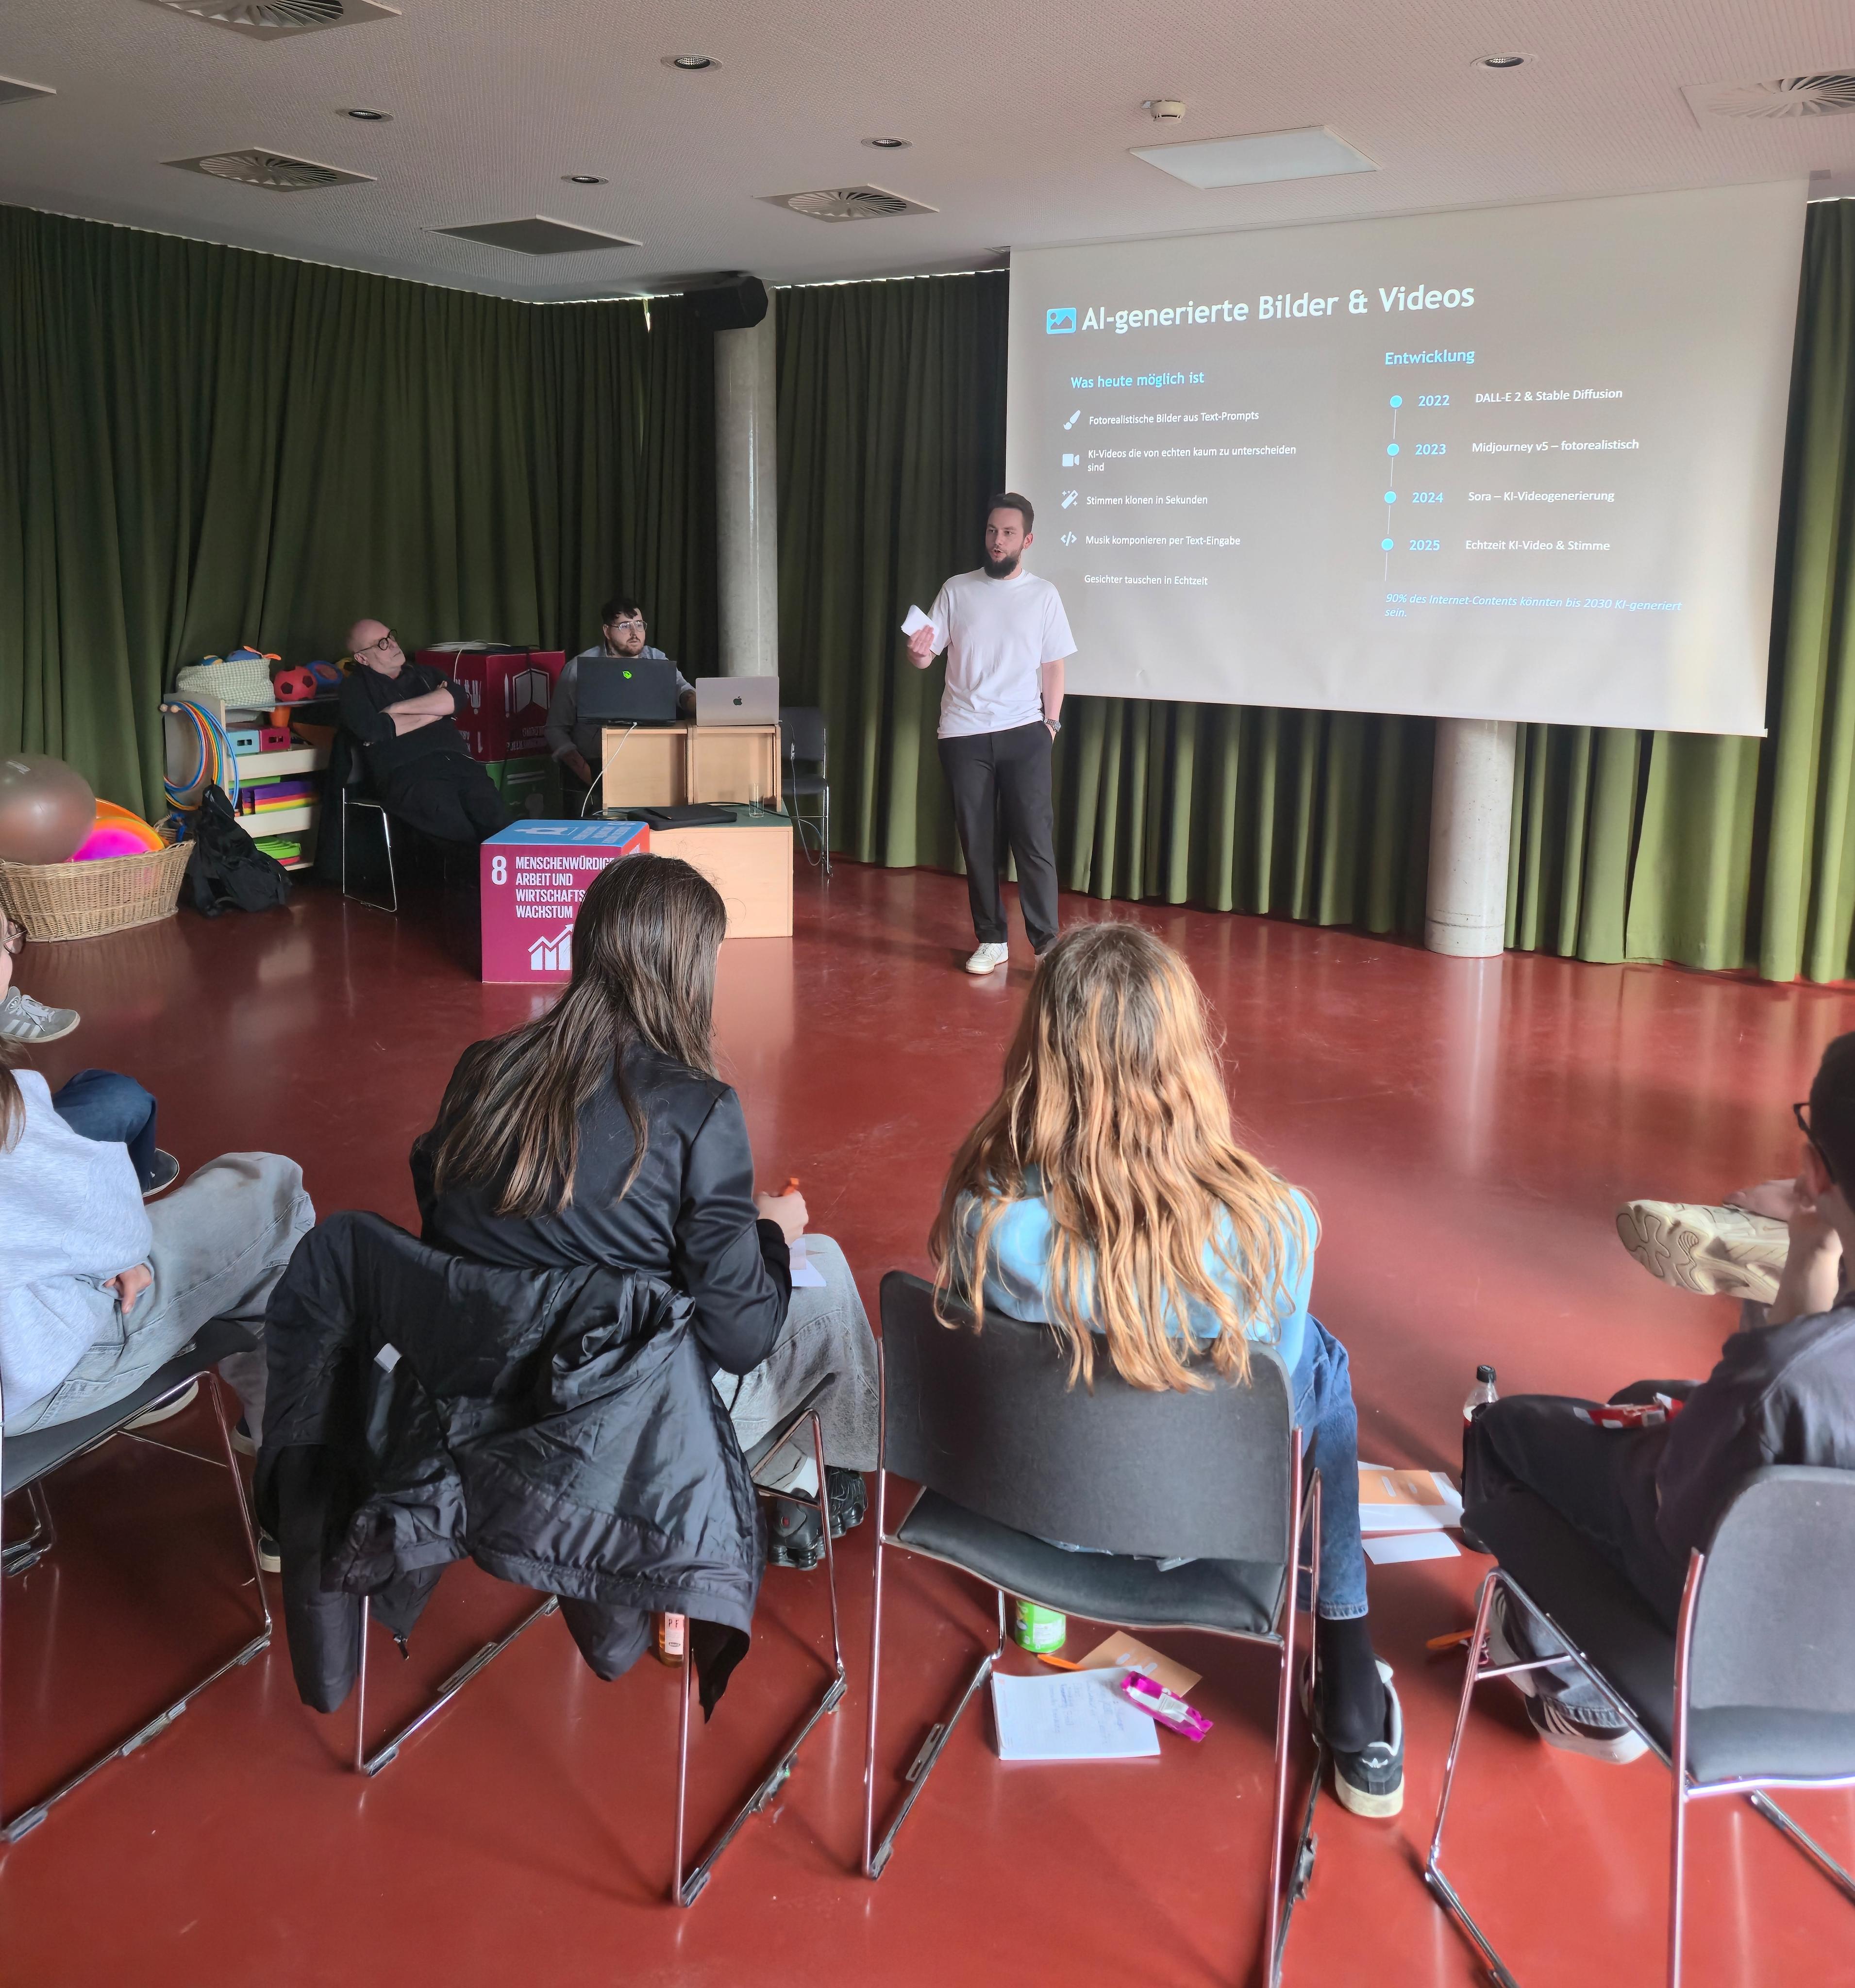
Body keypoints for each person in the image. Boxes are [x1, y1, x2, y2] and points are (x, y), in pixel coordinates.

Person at [930, 921, 1405, 1818]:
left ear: (1041, 1057)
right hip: (1204, 1528)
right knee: (1319, 1361)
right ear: (1186, 1060)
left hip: (1030, 1516)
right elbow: (1275, 1411)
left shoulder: (982, 1219)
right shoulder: (1276, 1230)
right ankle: (1348, 1672)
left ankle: (1043, 1599)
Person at [411, 851, 879, 1568]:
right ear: (687, 971)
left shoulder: (482, 1068)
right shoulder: (699, 1108)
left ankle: (797, 1471)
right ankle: (809, 1472)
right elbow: (742, 1338)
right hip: (630, 1429)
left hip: (483, 1407)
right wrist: (769, 1234)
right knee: (829, 1269)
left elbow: (443, 1222)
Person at [1464, 1031, 1855, 1761]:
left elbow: (1671, 1508)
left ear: (1814, 1170)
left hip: (1721, 1637)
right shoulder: (1786, 1380)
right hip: (1838, 1656)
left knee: (1506, 1431)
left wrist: (1803, 1268)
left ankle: (1576, 1687)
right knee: (1644, 1396)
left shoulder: (1775, 1382)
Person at [0, 903, 313, 1515]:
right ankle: (293, 1489)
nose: (13, 955)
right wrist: (114, 1252)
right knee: (273, 1189)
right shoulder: (9, 1113)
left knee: (113, 1102)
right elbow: (115, 1234)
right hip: (33, 1376)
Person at [908, 494, 1074, 976]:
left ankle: (1045, 946)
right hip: (963, 734)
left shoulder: (1043, 595)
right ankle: (991, 939)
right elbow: (925, 657)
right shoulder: (956, 589)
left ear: (1026, 540)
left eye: (1007, 533)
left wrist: (1050, 725)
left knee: (1033, 841)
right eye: (991, 531)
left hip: (1024, 731)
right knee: (976, 842)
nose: (997, 541)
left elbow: (1053, 666)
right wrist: (917, 652)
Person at [337, 621, 510, 845]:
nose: (392, 644)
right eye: (381, 644)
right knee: (460, 835)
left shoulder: (426, 674)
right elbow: (375, 730)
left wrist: (395, 710)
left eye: (390, 637)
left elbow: (457, 699)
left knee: (499, 827)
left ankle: (506, 868)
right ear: (362, 658)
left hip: (460, 764)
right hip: (410, 775)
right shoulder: (354, 689)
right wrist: (436, 711)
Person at [547, 596, 696, 802]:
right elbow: (555, 729)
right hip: (596, 768)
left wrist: (701, 705)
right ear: (607, 631)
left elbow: (683, 691)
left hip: (651, 763)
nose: (635, 633)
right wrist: (587, 773)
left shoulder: (657, 659)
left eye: (639, 625)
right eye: (625, 626)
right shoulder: (579, 668)